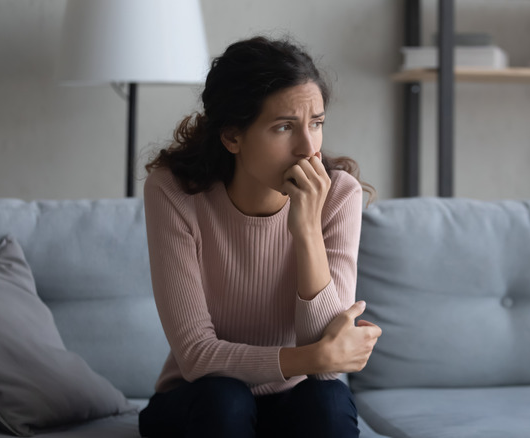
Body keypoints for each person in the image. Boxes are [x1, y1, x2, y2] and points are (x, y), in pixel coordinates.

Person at [138, 36, 383, 438]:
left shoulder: (338, 196)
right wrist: (315, 357)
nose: (309, 149)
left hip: (293, 399)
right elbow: (197, 357)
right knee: (225, 399)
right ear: (232, 137)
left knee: (329, 401)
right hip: (197, 400)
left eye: (316, 124)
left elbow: (327, 369)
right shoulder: (174, 193)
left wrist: (305, 229)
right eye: (284, 127)